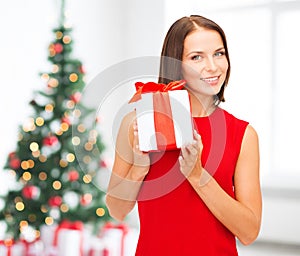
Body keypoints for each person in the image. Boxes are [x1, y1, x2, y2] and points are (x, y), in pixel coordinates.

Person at [105, 15, 262, 255]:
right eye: (196, 57)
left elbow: (249, 232)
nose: (213, 66)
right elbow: (116, 209)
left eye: (219, 53)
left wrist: (198, 176)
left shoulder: (243, 134)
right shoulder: (138, 123)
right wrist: (138, 168)